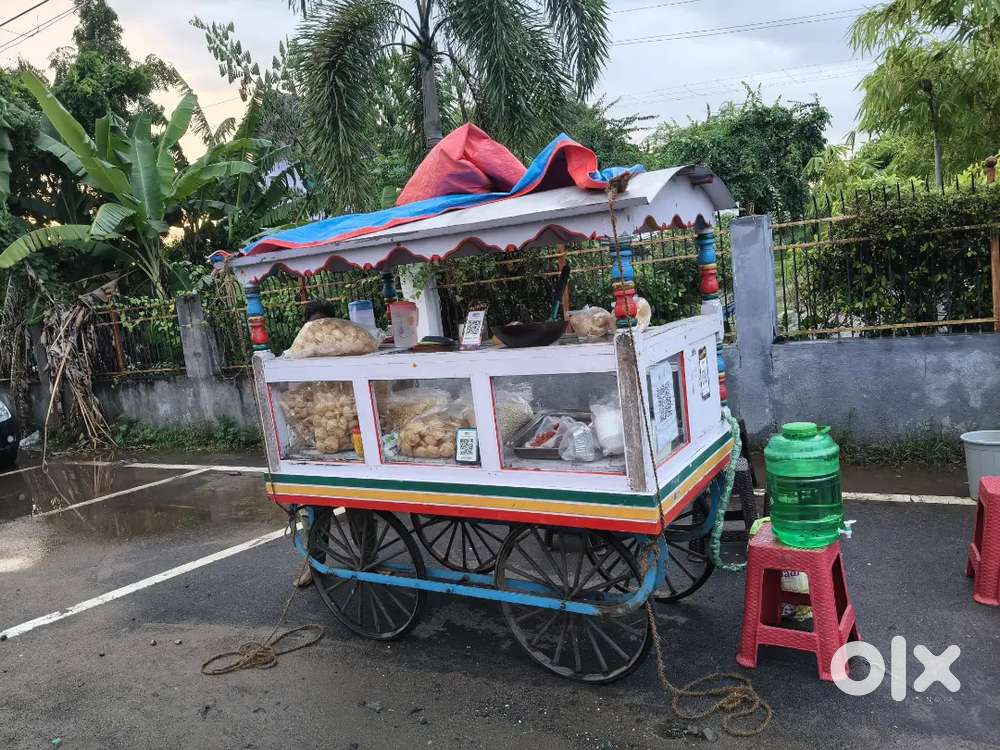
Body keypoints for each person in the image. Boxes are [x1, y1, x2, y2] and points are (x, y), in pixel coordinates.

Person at [293, 299, 339, 588]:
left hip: (345, 440)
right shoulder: (299, 354)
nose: (317, 331)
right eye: (312, 324)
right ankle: (314, 563)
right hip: (317, 444)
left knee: (361, 511)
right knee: (315, 510)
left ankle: (369, 559)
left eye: (323, 323)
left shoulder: (342, 349)